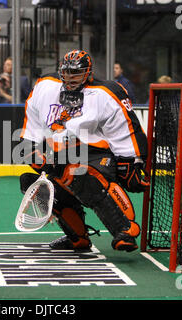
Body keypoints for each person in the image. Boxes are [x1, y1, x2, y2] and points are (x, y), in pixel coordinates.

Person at [18, 50, 149, 252]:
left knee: (79, 173)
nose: (70, 77)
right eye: (66, 72)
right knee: (32, 183)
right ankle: (78, 238)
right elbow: (30, 135)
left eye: (76, 73)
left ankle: (126, 229)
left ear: (88, 73)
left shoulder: (106, 92)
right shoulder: (44, 88)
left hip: (98, 155)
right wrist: (35, 155)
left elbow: (127, 127)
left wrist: (132, 161)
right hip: (61, 158)